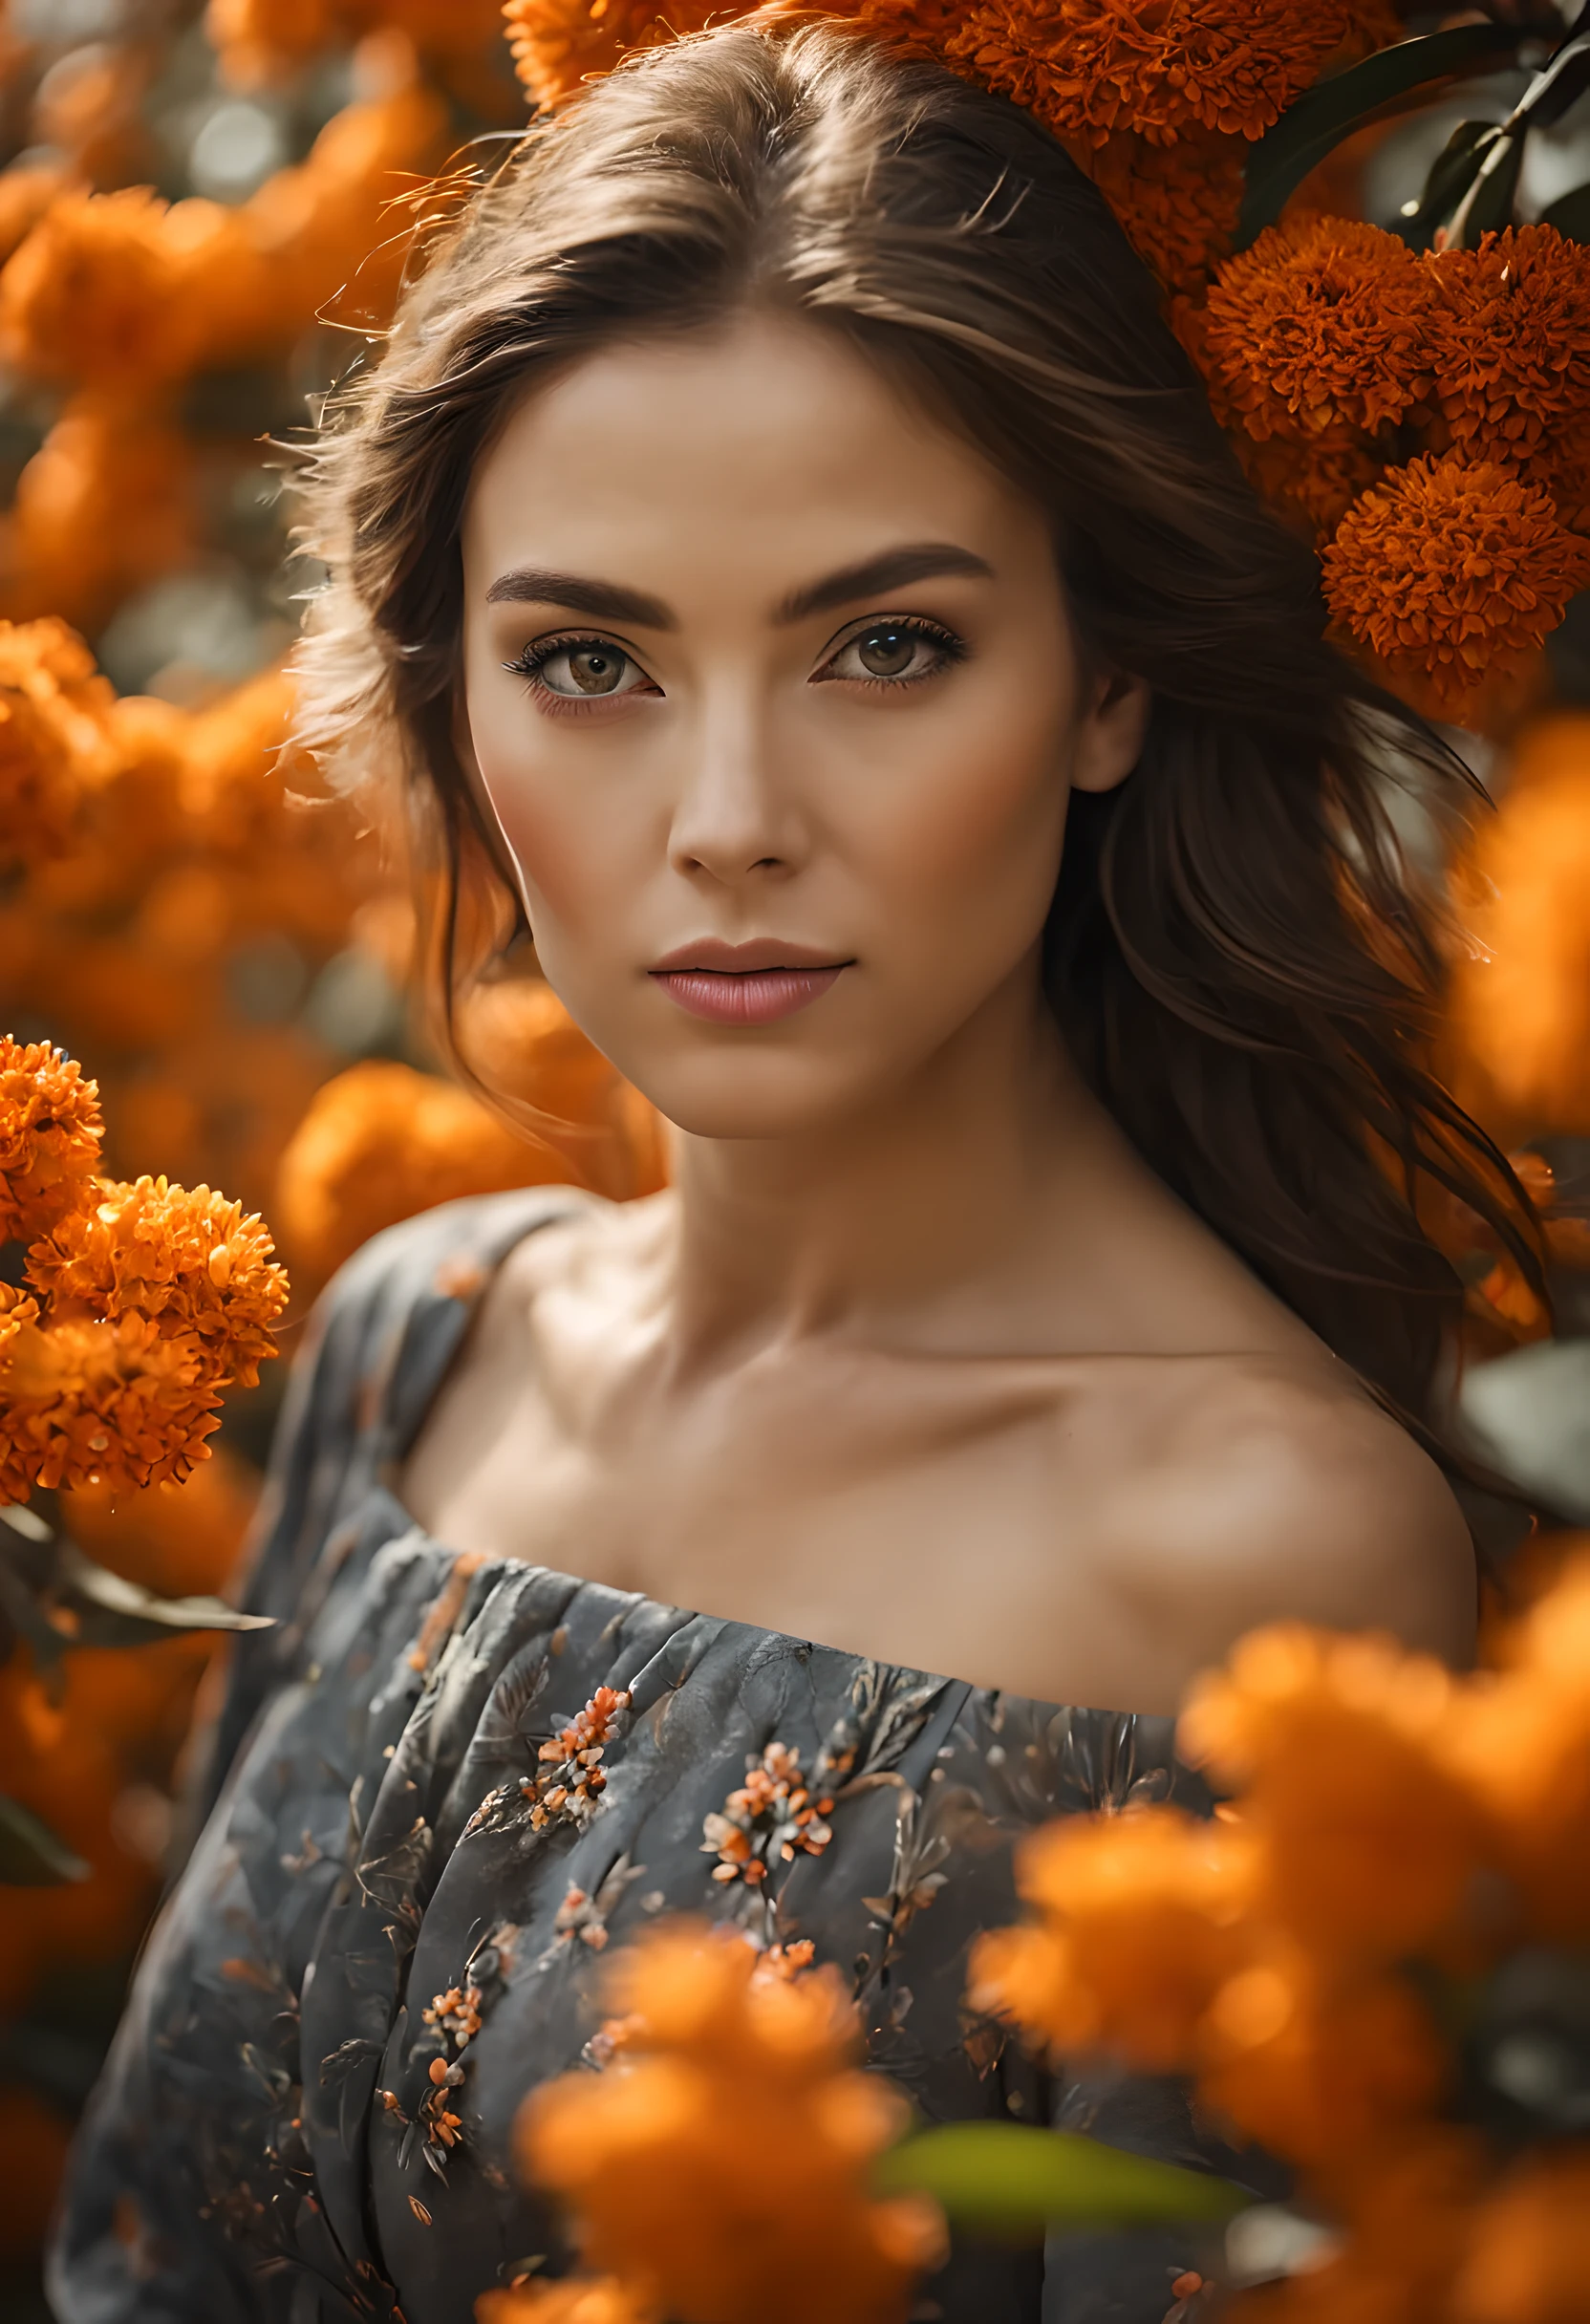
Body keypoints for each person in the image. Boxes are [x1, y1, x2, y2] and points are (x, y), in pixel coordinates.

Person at [53, 21, 1540, 2322]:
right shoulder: (416, 1341)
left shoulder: (1256, 1549)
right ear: (455, 700)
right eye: (591, 661)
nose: (730, 815)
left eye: (883, 644)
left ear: (1109, 679)